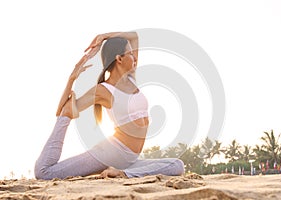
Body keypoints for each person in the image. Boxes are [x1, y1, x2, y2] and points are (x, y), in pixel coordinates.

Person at [34, 32, 185, 180]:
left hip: (128, 160)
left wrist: (104, 36)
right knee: (44, 173)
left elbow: (133, 36)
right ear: (119, 58)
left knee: (177, 165)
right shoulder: (104, 90)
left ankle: (123, 173)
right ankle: (122, 173)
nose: (135, 57)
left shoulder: (131, 79)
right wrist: (72, 78)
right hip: (109, 153)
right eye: (130, 53)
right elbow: (64, 110)